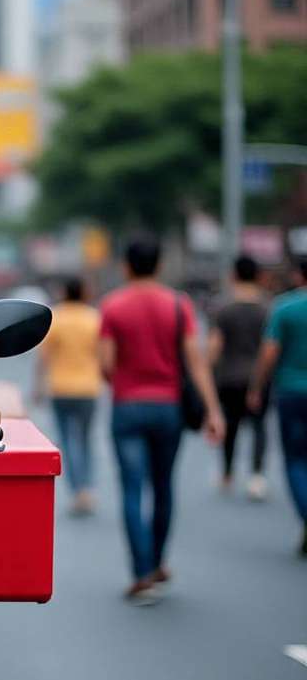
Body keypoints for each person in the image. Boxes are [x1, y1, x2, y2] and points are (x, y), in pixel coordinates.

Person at [99, 237, 224, 603]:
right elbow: (195, 361)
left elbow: (105, 364)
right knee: (164, 486)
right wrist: (213, 410)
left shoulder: (113, 305)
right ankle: (157, 562)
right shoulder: (178, 304)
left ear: (126, 265)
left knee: (132, 490)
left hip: (127, 408)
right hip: (168, 408)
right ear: (159, 264)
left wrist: (122, 383)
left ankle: (140, 574)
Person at [248, 258, 307, 556]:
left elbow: (269, 353)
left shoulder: (285, 308)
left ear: (299, 276)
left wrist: (257, 387)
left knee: (296, 459)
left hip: (292, 393)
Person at [35, 276, 101, 514]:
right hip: (88, 388)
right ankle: (86, 488)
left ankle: (77, 489)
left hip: (60, 388)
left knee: (67, 439)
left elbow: (44, 357)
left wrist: (38, 387)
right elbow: (102, 354)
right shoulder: (94, 318)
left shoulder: (56, 318)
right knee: (84, 439)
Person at [208, 255, 270, 499]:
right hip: (259, 376)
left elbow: (214, 347)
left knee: (230, 426)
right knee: (258, 426)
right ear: (258, 276)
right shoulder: (268, 308)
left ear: (234, 275)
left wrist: (207, 375)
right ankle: (256, 475)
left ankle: (227, 473)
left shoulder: (223, 308)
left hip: (230, 377)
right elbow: (271, 347)